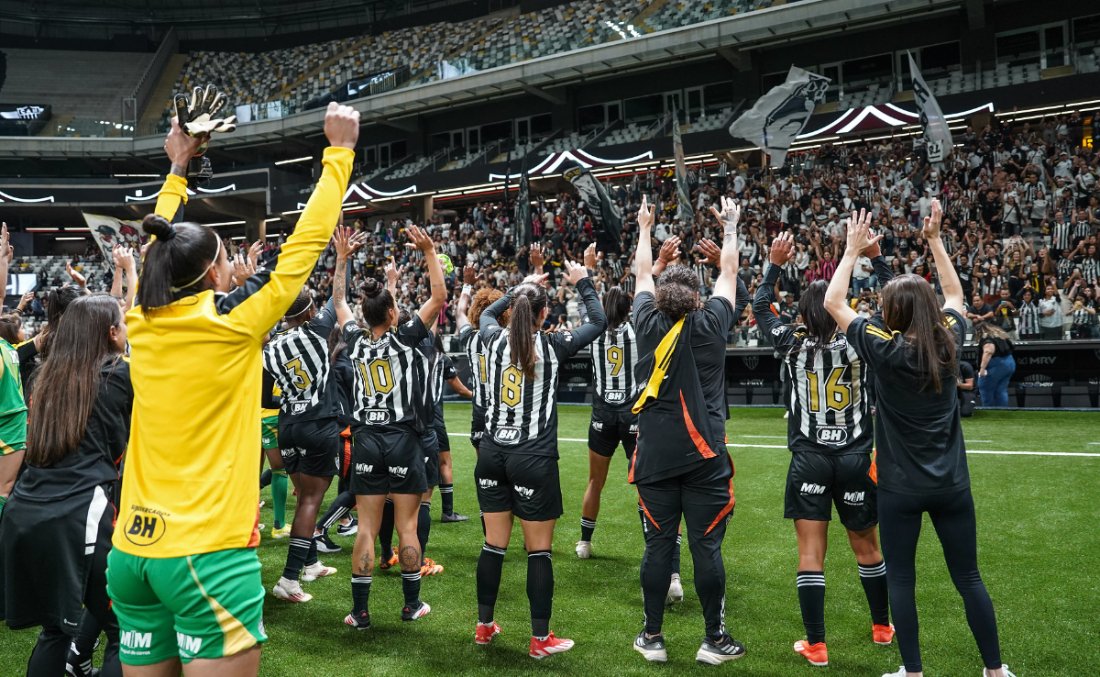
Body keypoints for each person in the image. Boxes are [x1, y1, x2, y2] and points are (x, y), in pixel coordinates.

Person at [106, 102, 358, 675]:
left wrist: (177, 168)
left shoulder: (139, 321)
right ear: (216, 274)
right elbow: (303, 248)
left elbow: (155, 248)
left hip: (133, 551)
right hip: (207, 551)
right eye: (223, 259)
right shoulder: (232, 323)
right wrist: (338, 152)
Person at [823, 200, 1014, 677]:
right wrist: (932, 240)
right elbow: (953, 293)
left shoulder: (883, 346)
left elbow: (833, 303)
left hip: (900, 488)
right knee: (969, 578)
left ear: (890, 314)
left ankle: (913, 671)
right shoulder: (949, 338)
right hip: (952, 485)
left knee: (902, 582)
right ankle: (995, 670)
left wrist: (851, 252)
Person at [753, 229, 894, 668]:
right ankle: (882, 627)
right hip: (855, 457)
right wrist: (877, 258)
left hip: (809, 458)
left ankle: (816, 645)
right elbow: (895, 310)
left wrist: (775, 263)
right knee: (867, 549)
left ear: (802, 312)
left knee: (811, 555)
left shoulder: (790, 343)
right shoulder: (861, 339)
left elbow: (759, 305)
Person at [629, 196, 748, 665]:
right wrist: (731, 227)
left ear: (660, 298)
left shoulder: (645, 321)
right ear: (698, 298)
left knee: (659, 546)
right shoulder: (714, 322)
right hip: (705, 455)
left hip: (656, 453)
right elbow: (730, 273)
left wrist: (644, 228)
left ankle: (652, 636)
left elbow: (641, 272)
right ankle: (714, 639)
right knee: (706, 547)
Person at [473, 251, 605, 658]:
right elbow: (598, 321)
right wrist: (582, 280)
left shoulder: (491, 338)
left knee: (494, 545)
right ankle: (540, 638)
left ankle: (484, 625)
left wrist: (516, 290)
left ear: (513, 312)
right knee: (538, 551)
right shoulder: (552, 346)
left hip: (492, 453)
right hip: (533, 458)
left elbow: (484, 317)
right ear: (545, 315)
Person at [0, 295, 131, 677]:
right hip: (80, 513)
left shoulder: (44, 375)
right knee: (127, 630)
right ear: (110, 333)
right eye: (122, 323)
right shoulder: (117, 375)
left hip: (27, 511)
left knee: (56, 629)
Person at [334, 222, 445, 630]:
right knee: (408, 526)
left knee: (365, 527)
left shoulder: (356, 341)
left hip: (366, 441)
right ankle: (410, 604)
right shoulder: (406, 338)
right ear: (394, 312)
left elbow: (340, 301)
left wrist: (342, 259)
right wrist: (430, 251)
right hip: (403, 440)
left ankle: (360, 611)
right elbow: (439, 296)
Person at [264, 274, 353, 602]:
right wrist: (342, 258)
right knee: (311, 500)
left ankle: (311, 563)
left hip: (288, 424)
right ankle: (289, 579)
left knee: (304, 495)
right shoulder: (317, 330)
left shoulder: (271, 345)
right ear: (307, 312)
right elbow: (338, 296)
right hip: (318, 423)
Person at [576, 285, 643, 559]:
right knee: (645, 483)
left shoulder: (593, 331)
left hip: (603, 412)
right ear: (628, 309)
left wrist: (587, 276)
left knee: (595, 481)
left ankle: (585, 542)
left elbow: (584, 306)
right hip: (632, 413)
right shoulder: (637, 331)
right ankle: (655, 540)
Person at [0, 224, 24, 520]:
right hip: (7, 423)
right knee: (4, 490)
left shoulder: (6, 344)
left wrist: (4, 260)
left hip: (13, 422)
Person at [974, 323, 1015, 408]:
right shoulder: (1000, 335)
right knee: (1001, 390)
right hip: (1009, 362)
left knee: (985, 388)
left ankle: (988, 412)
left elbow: (988, 351)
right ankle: (1002, 413)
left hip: (996, 365)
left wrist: (982, 369)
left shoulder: (987, 338)